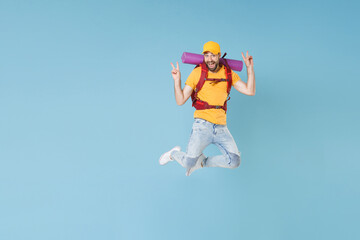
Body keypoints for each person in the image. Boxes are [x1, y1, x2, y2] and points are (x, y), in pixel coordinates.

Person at [159, 41, 255, 176]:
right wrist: (177, 81)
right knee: (188, 163)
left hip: (221, 127)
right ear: (203, 56)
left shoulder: (228, 73)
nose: (210, 59)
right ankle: (173, 154)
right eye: (206, 55)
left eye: (213, 55)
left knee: (234, 161)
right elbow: (180, 100)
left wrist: (249, 69)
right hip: (202, 126)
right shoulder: (198, 73)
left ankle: (202, 162)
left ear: (219, 56)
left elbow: (250, 91)